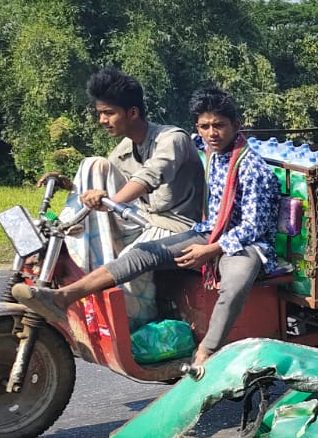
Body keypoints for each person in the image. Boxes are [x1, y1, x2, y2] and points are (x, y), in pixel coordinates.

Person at [15, 86, 281, 371]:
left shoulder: (252, 167)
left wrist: (211, 250)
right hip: (209, 230)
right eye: (205, 126)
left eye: (219, 125)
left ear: (236, 126)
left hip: (243, 243)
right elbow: (136, 164)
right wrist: (74, 184)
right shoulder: (206, 147)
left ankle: (207, 351)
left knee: (235, 283)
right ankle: (65, 296)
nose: (211, 133)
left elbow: (254, 226)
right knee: (141, 254)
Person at [58, 67, 207, 324]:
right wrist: (70, 186)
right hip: (143, 219)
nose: (102, 120)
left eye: (109, 113)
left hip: (177, 227)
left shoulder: (172, 139)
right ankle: (70, 242)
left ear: (133, 112)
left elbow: (149, 176)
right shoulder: (126, 147)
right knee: (93, 164)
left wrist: (113, 202)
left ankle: (137, 322)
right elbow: (102, 178)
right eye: (100, 113)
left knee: (131, 258)